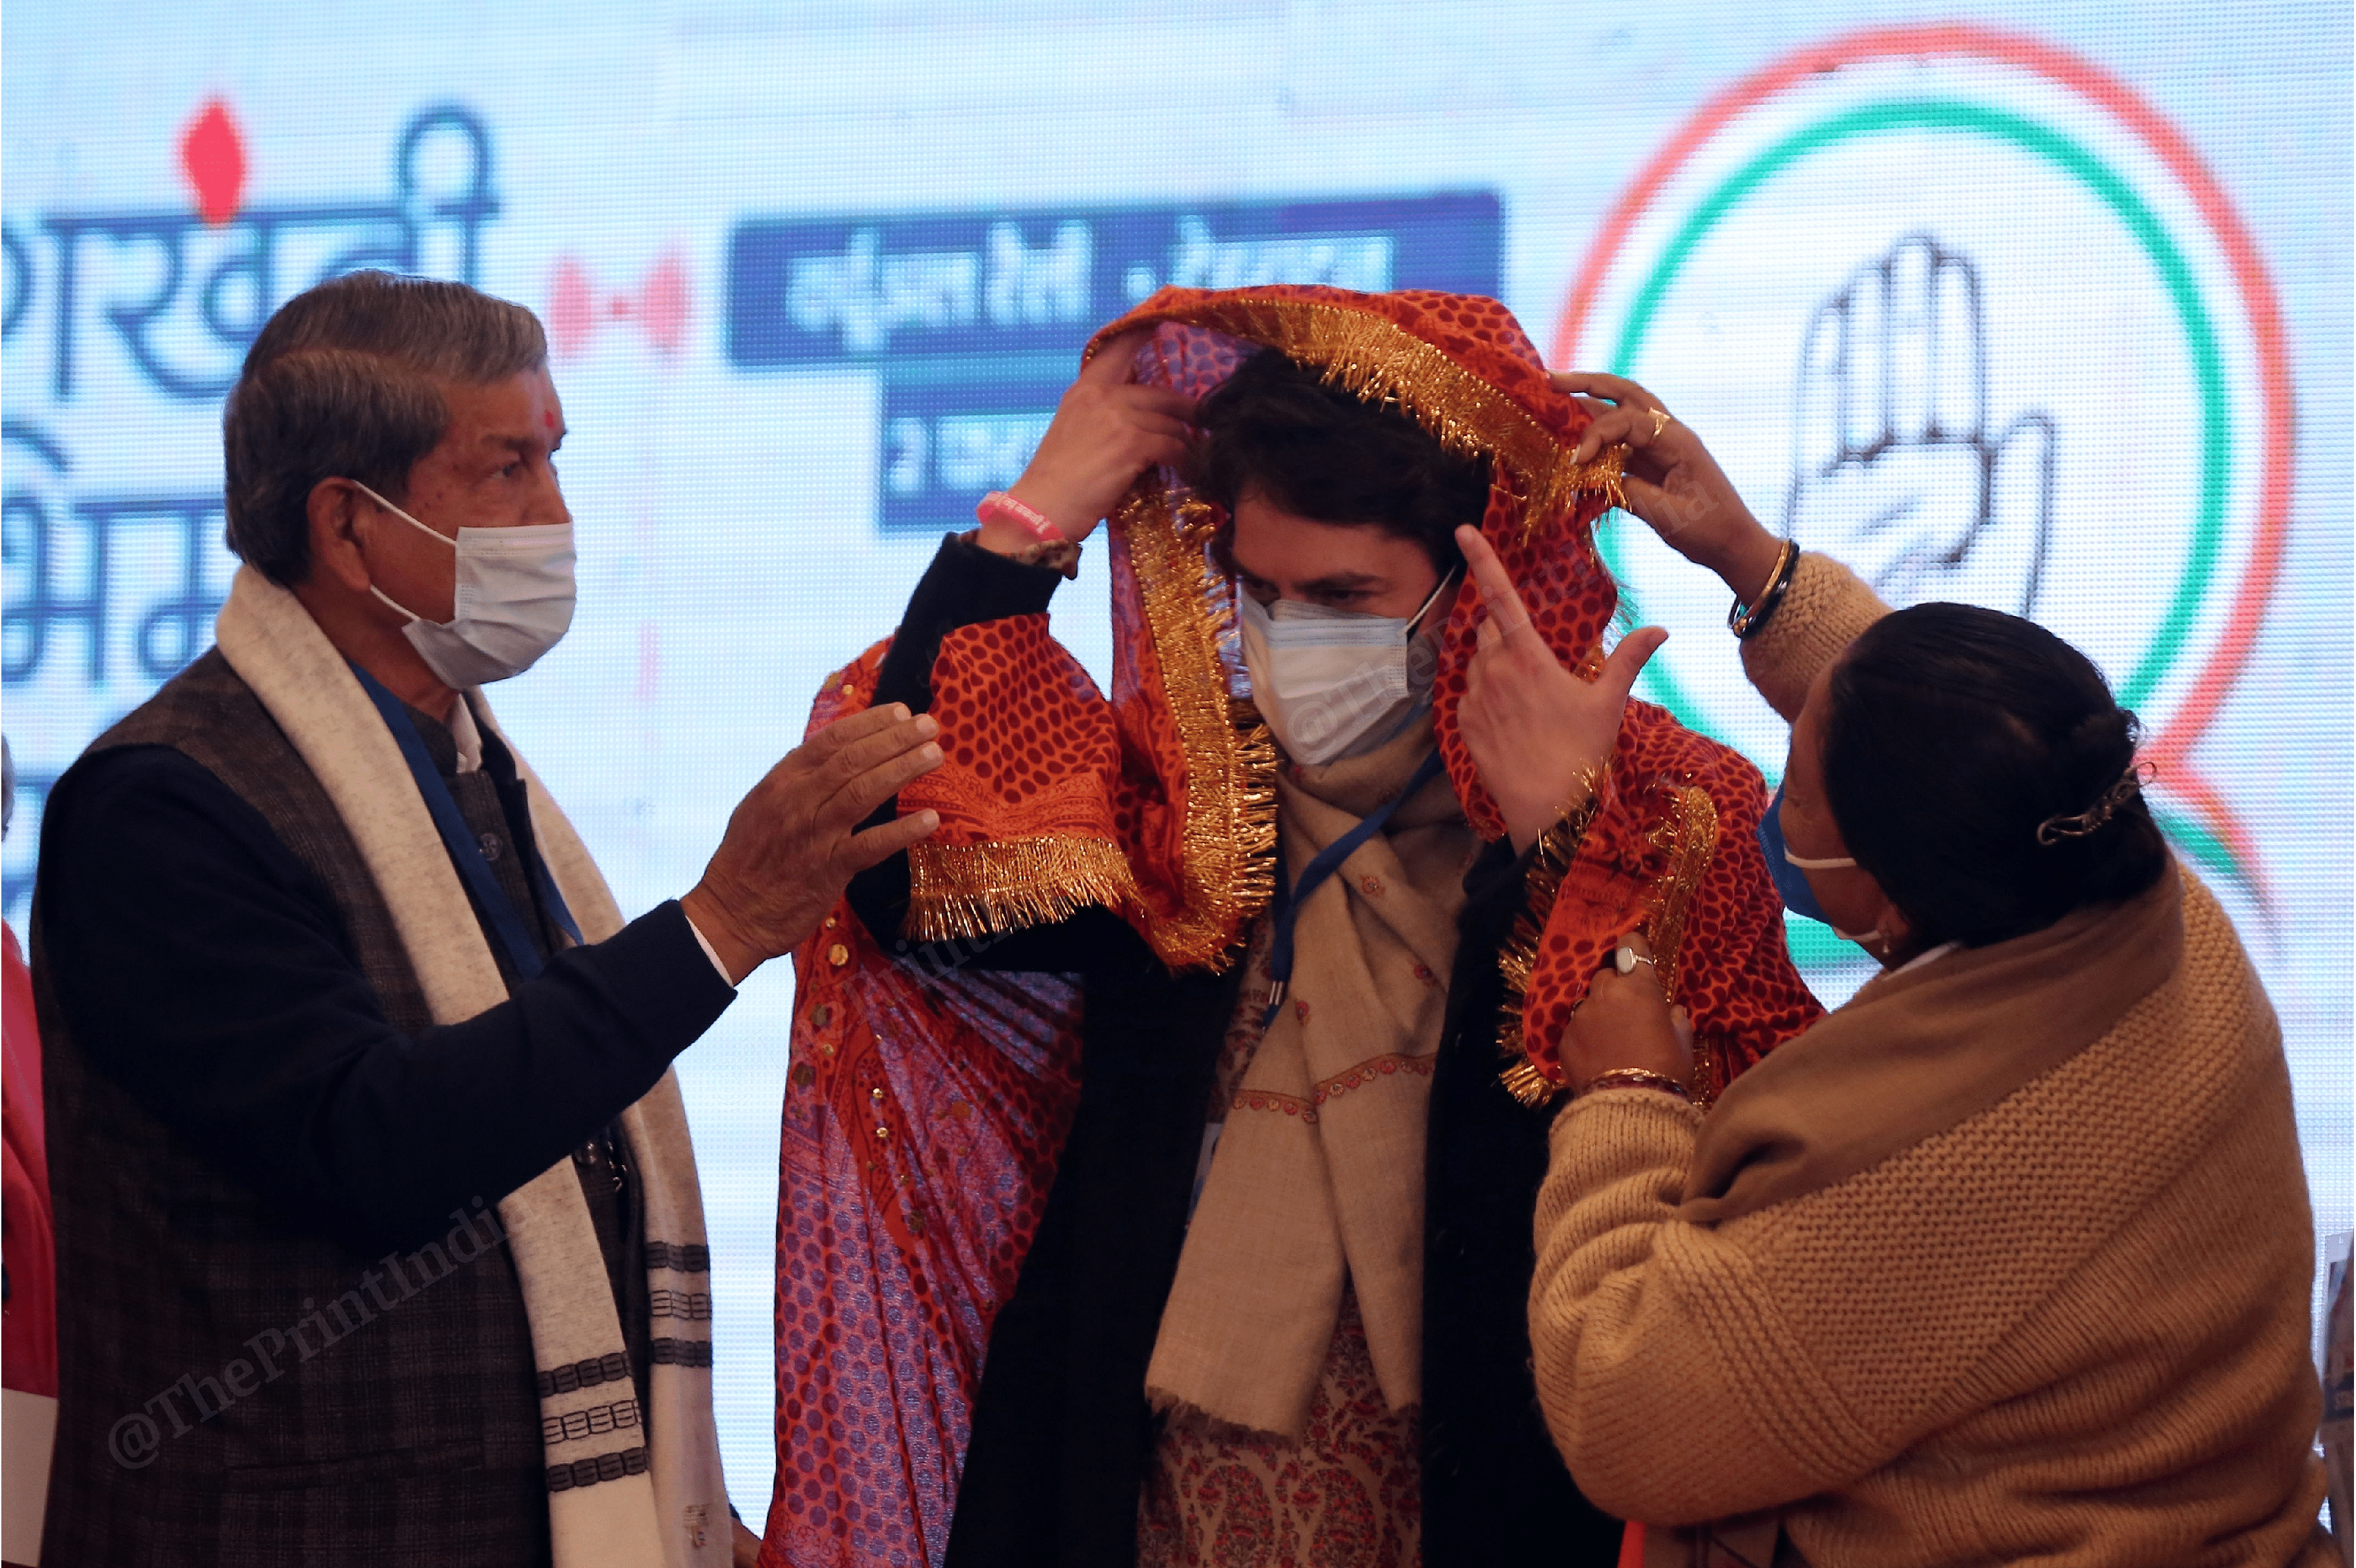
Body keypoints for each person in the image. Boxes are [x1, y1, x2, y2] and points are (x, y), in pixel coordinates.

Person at [759, 287, 1820, 1567]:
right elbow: (900, 858)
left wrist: (1555, 838)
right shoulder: (1193, 806)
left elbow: (1740, 1221)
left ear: (1478, 580)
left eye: (1343, 596)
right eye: (1258, 593)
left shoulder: (1654, 818)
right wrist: (1028, 524)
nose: (1287, 640)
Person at [30, 272, 943, 1568]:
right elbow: (378, 1143)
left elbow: (559, 1154)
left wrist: (675, 1512)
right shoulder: (164, 804)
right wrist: (722, 922)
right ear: (347, 527)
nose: (556, 517)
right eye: (506, 470)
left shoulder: (464, 764)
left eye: (555, 461)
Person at [1510, 374, 2336, 1564]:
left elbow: (1625, 1403)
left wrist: (1628, 1091)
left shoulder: (1914, 1166)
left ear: (1878, 891)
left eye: (1794, 780)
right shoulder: (2142, 897)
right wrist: (1755, 563)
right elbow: (1949, 737)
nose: (1771, 796)